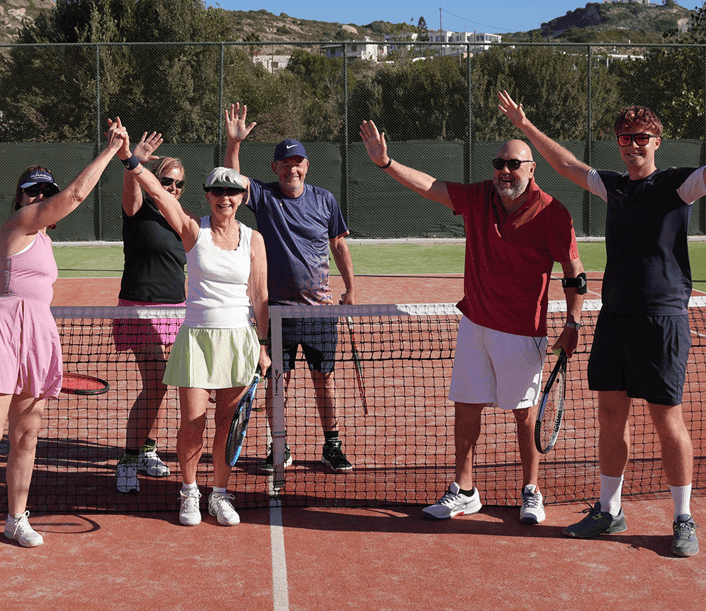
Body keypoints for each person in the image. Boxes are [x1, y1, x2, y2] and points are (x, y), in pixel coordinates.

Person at [498, 90, 706, 558]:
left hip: (662, 319)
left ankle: (683, 518)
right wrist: (527, 126)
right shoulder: (614, 186)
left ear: (656, 141)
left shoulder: (678, 185)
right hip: (614, 316)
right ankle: (609, 510)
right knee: (611, 416)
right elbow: (569, 165)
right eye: (623, 138)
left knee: (666, 419)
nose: (630, 145)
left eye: (639, 137)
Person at [358, 117, 585, 525]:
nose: (504, 171)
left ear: (532, 169)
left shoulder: (552, 213)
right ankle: (464, 490)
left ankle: (531, 490)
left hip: (521, 331)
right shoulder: (480, 197)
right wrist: (386, 162)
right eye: (499, 163)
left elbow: (573, 270)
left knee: (524, 414)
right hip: (475, 324)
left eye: (514, 164)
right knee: (466, 408)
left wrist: (572, 323)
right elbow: (430, 187)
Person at [0, 120, 129, 563]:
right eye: (33, 192)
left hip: (36, 334)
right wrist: (109, 151)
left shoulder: (42, 240)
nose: (40, 198)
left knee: (27, 435)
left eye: (45, 191)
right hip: (3, 330)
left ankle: (16, 517)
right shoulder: (17, 227)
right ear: (21, 199)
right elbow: (74, 197)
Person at [126, 155, 272, 527]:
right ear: (208, 196)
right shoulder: (194, 230)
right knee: (193, 422)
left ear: (242, 196)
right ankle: (190, 493)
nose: (225, 197)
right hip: (196, 339)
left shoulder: (254, 240)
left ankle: (219, 494)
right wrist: (132, 160)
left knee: (227, 423)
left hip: (239, 340)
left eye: (232, 191)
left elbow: (260, 295)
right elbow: (159, 194)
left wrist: (264, 345)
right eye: (218, 191)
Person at [223, 103, 357, 474]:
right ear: (275, 169)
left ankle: (332, 446)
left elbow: (339, 245)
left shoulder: (324, 199)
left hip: (319, 310)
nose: (292, 169)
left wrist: (351, 289)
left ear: (306, 166)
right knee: (276, 383)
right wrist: (234, 143)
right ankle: (278, 446)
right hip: (278, 311)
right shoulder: (265, 198)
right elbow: (231, 180)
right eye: (285, 164)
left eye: (298, 163)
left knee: (324, 381)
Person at [112, 132, 188, 493]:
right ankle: (128, 459)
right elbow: (131, 191)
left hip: (177, 311)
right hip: (140, 308)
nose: (172, 187)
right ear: (156, 179)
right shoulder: (138, 209)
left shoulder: (181, 219)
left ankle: (146, 449)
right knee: (156, 382)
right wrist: (133, 162)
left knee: (161, 385)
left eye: (178, 183)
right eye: (167, 180)